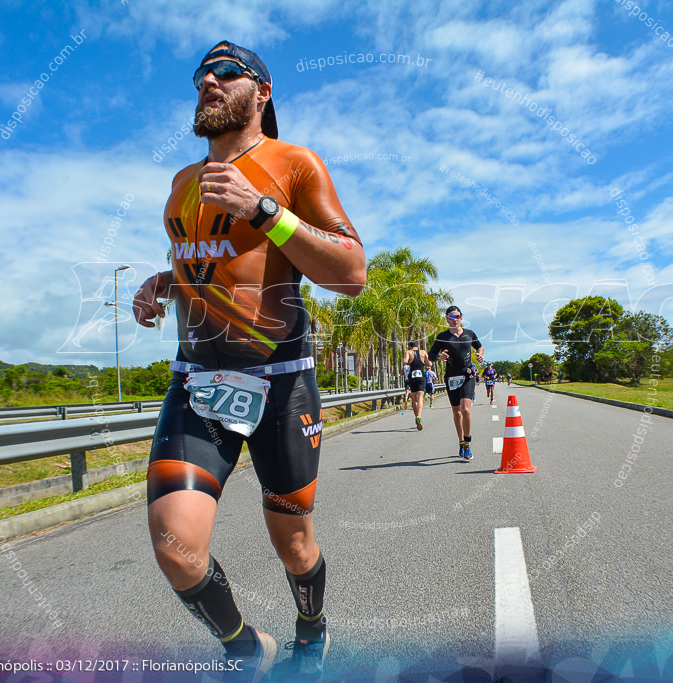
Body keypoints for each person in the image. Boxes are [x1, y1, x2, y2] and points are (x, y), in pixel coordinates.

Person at [131, 41, 366, 682]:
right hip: (198, 382)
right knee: (176, 548)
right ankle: (245, 647)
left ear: (261, 92)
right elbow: (211, 267)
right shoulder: (181, 183)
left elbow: (351, 272)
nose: (208, 79)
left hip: (281, 381)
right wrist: (164, 284)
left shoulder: (294, 163)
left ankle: (311, 627)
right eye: (202, 73)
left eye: (227, 72)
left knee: (292, 544)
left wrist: (263, 210)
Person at [428, 306, 484, 460]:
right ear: (447, 318)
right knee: (456, 412)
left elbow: (479, 346)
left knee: (466, 410)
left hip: (467, 376)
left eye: (457, 316)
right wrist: (440, 357)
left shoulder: (469, 334)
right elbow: (431, 355)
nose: (455, 319)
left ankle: (467, 443)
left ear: (461, 317)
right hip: (451, 378)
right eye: (451, 317)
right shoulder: (442, 337)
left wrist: (480, 354)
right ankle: (460, 441)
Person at [403, 341, 429, 430]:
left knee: (414, 400)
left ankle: (416, 418)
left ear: (410, 347)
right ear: (418, 346)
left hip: (412, 377)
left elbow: (405, 361)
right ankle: (419, 416)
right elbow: (429, 363)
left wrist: (410, 362)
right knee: (420, 398)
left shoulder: (408, 352)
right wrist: (424, 363)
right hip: (421, 376)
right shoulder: (423, 352)